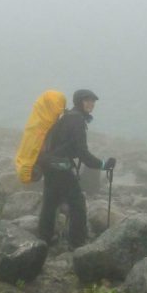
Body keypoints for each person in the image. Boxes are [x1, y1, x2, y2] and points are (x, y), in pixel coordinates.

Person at [37, 89, 117, 248]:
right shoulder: (77, 120)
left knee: (51, 202)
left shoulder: (68, 116)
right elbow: (82, 153)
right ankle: (77, 242)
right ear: (79, 102)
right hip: (59, 167)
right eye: (87, 100)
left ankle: (43, 238)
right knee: (77, 203)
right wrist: (103, 165)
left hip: (48, 164)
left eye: (93, 101)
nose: (91, 104)